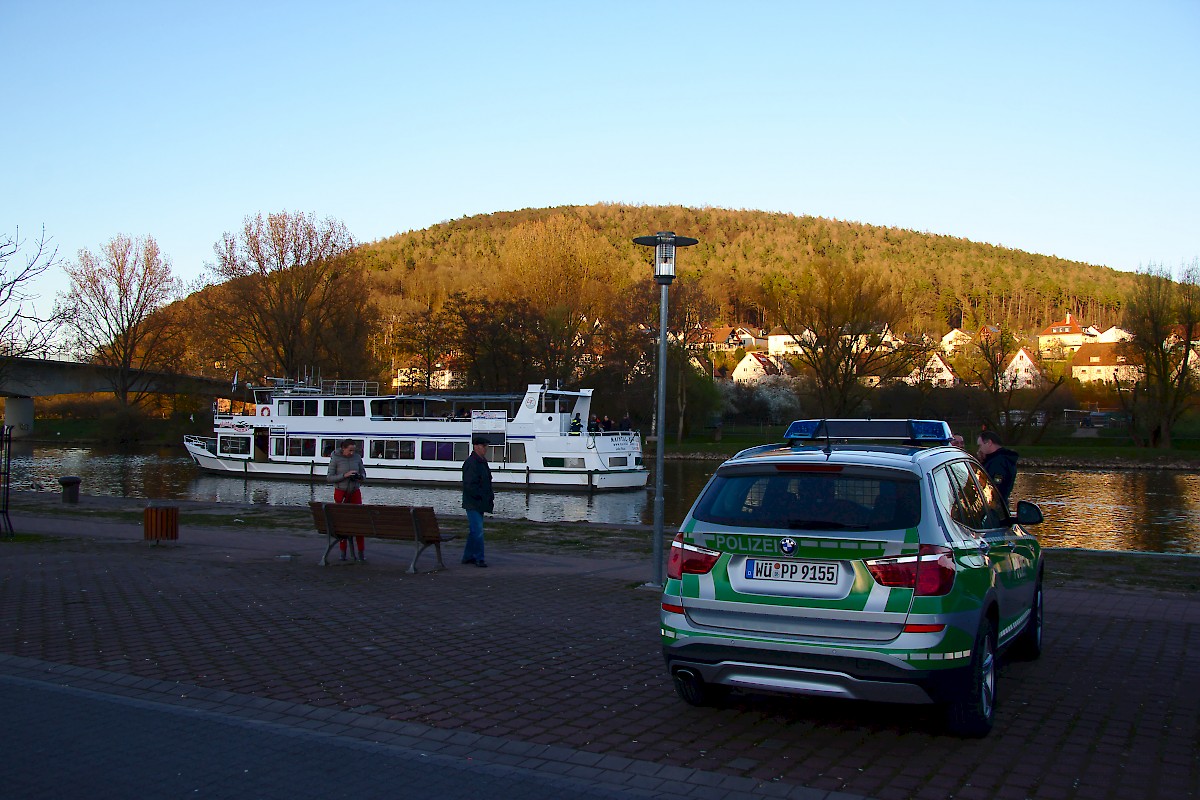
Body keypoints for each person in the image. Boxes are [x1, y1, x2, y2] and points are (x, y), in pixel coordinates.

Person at [327, 439, 367, 562]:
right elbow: (329, 478)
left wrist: (359, 477)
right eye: (349, 450)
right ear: (343, 449)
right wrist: (344, 475)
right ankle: (343, 552)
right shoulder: (335, 458)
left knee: (358, 523)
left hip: (355, 492)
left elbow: (364, 474)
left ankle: (360, 553)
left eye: (353, 450)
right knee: (342, 523)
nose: (351, 453)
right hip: (341, 492)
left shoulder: (357, 458)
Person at [461, 434, 494, 567]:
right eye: (483, 446)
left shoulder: (481, 461)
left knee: (474, 530)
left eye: (486, 446)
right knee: (478, 531)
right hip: (474, 502)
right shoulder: (472, 463)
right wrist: (482, 496)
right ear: (476, 447)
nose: (485, 449)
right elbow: (469, 485)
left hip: (478, 501)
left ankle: (468, 556)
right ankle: (479, 558)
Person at [977, 430, 1018, 505]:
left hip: (994, 508)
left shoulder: (999, 463)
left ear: (989, 443)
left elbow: (994, 488)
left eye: (980, 445)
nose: (979, 449)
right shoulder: (1000, 459)